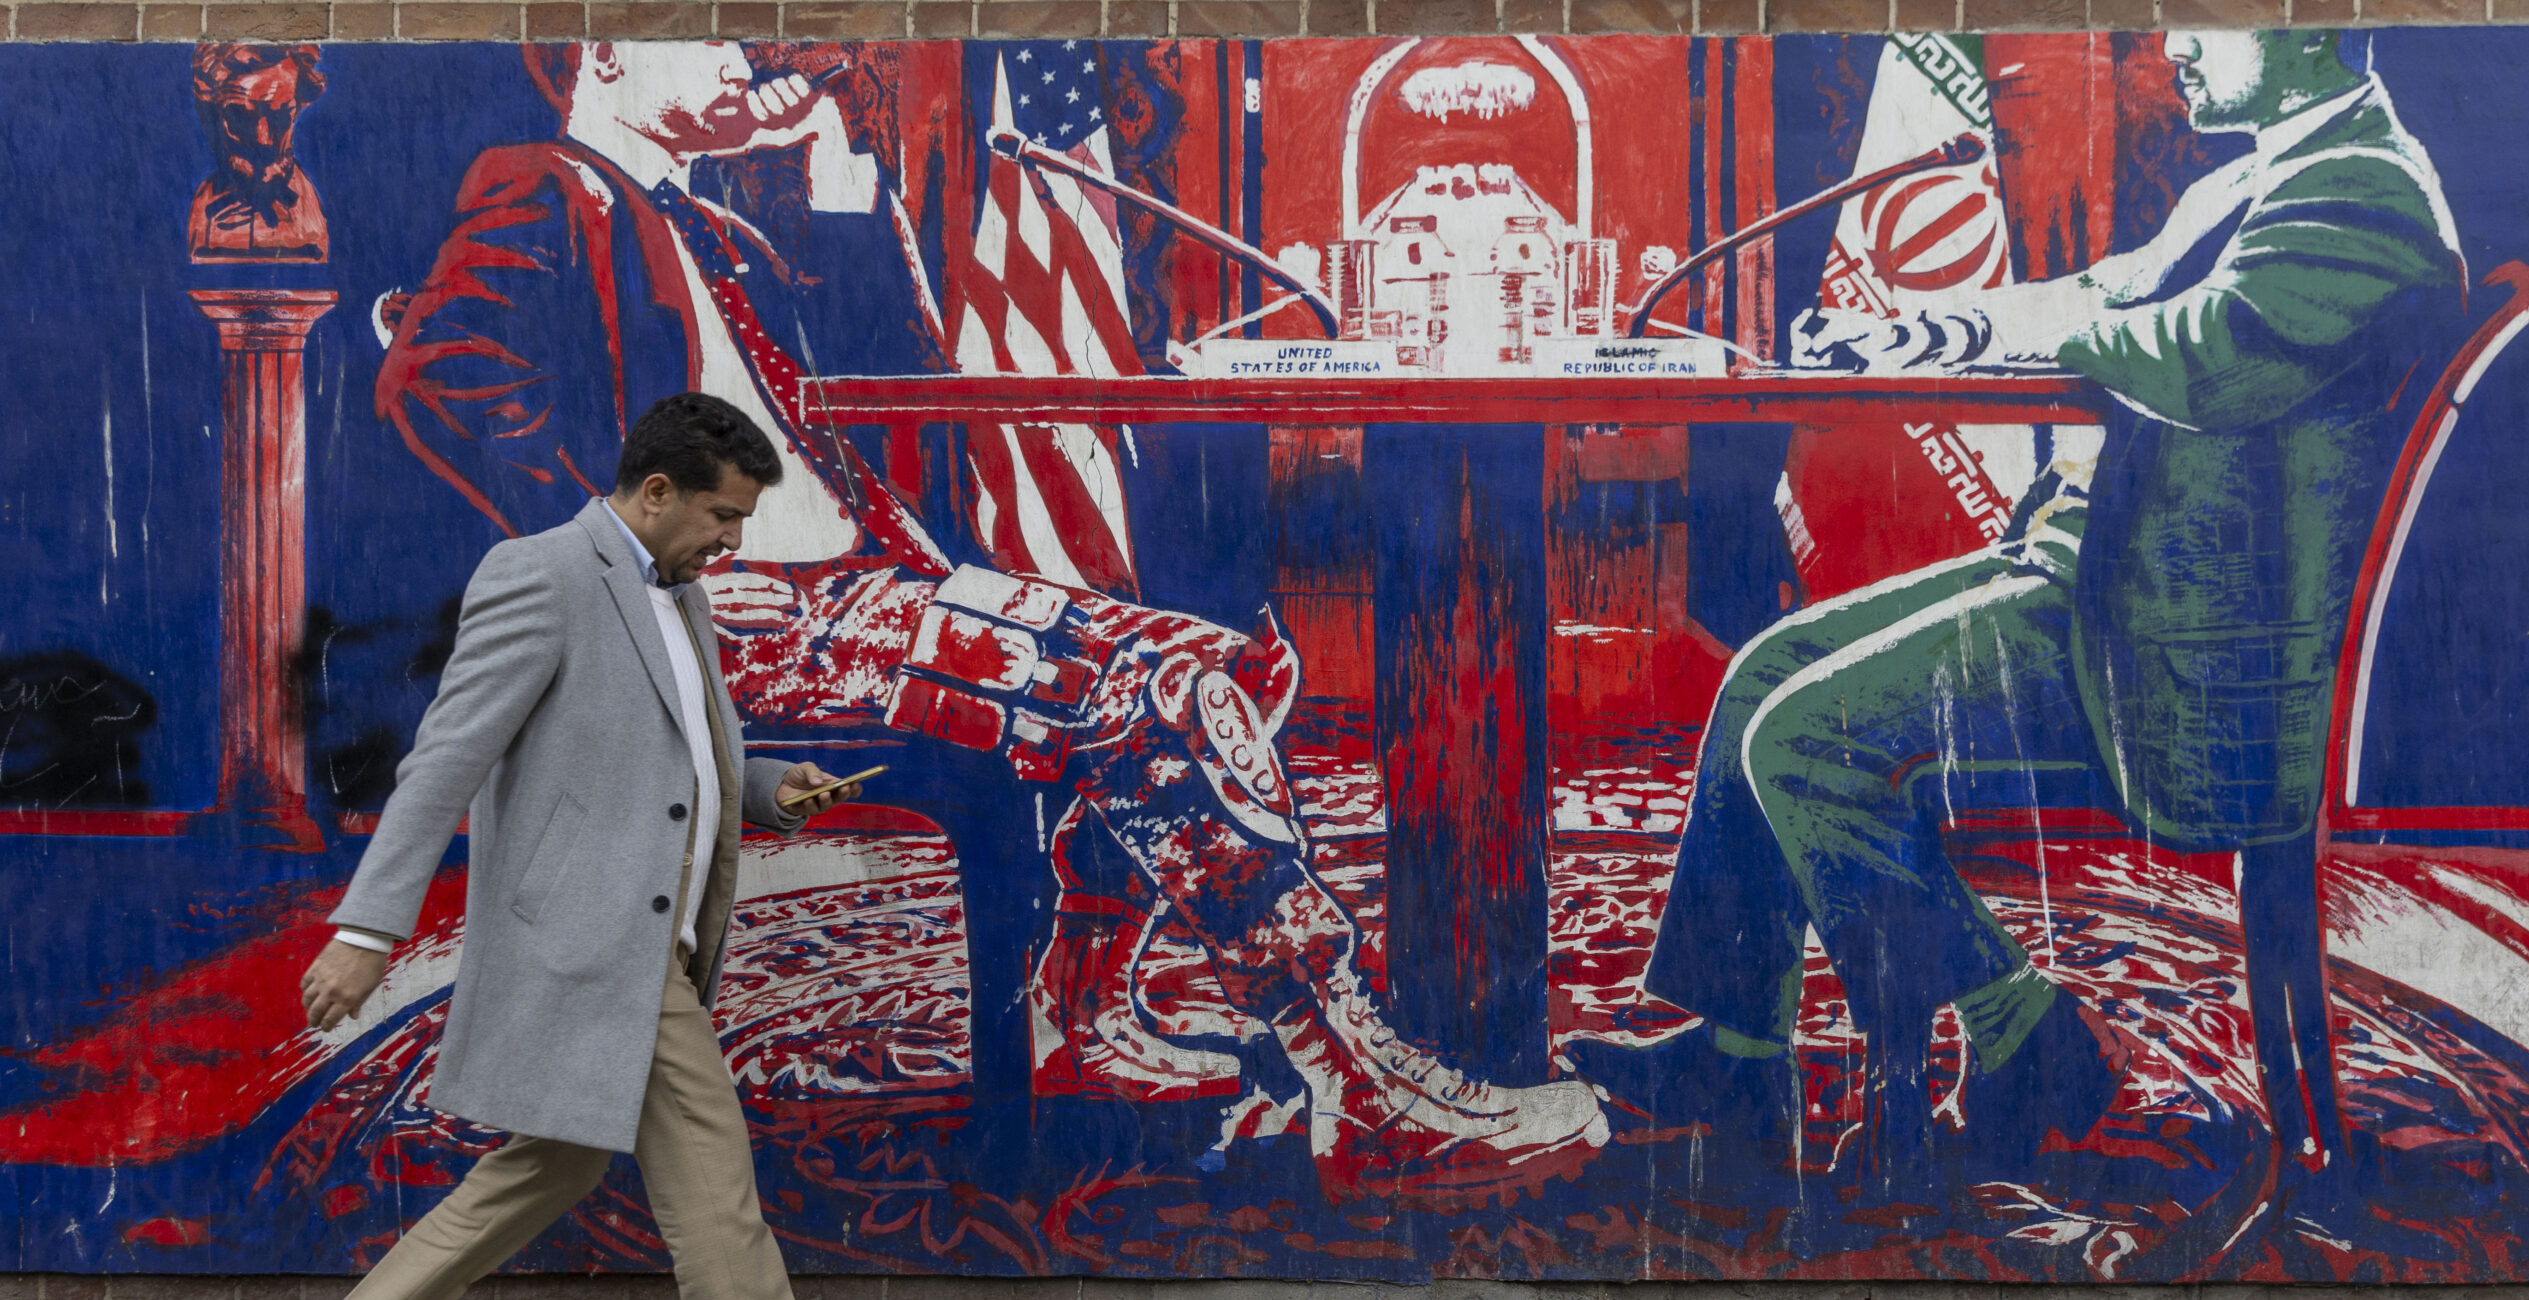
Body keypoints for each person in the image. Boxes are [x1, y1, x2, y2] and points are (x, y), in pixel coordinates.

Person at [375, 39, 1606, 1196]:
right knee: (1143, 694)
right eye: (712, 39)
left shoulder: (715, 224)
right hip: (756, 625)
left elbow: (875, 369)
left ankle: (1081, 1002)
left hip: (863, 588)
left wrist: (840, 165)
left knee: (1225, 668)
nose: (749, 55)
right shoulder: (547, 185)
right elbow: (437, 375)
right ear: (605, 59)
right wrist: (644, 571)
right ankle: (1356, 1082)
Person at [1567, 30, 2465, 1205]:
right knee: (1762, 677)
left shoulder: (2363, 191)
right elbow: (2104, 294)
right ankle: (1739, 1060)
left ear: (2303, 22)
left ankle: (2026, 1032)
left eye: (2205, 20)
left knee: (1801, 738)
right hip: (2102, 576)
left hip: (2174, 655)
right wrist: (1932, 334)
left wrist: (2057, 332)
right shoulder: (2260, 174)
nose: (2171, 47)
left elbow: (2207, 359)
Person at [280, 394, 905, 1300]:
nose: (732, 539)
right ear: (655, 491)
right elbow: (445, 759)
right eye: (722, 514)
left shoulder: (681, 593)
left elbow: (670, 759)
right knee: (714, 1182)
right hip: (598, 941)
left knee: (552, 1165)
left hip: (659, 941)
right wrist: (367, 929)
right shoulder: (541, 576)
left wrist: (768, 789)